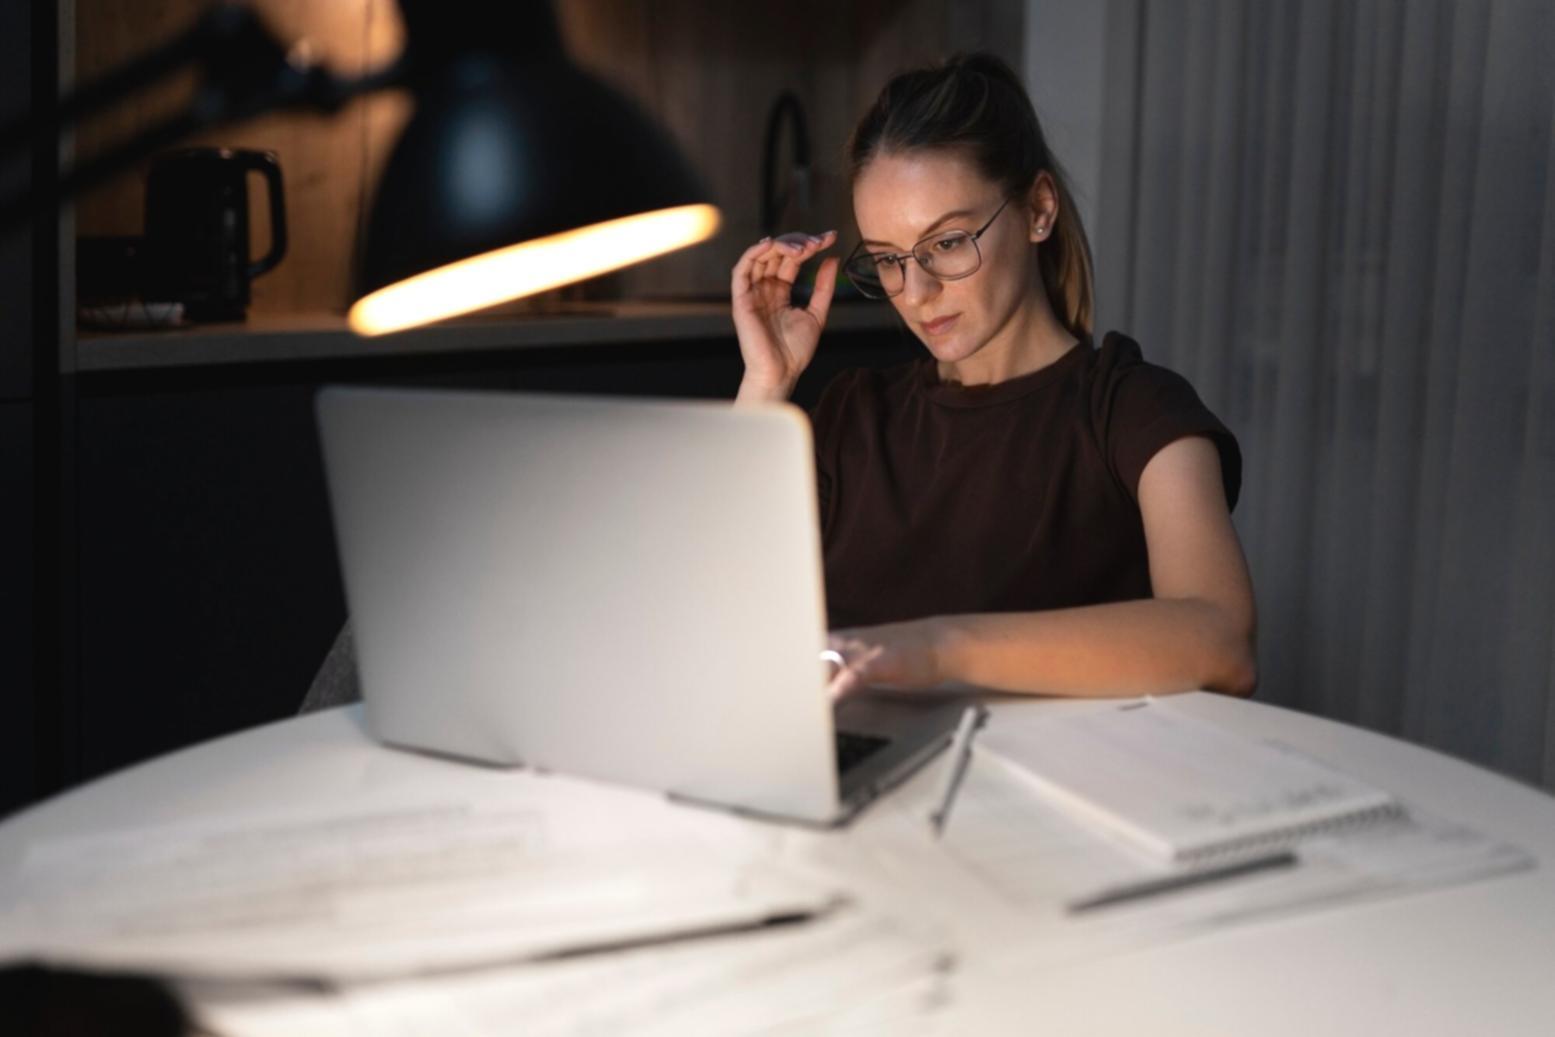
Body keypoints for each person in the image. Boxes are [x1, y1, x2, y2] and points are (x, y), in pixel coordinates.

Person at [730, 52, 1256, 700]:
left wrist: (933, 649)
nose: (916, 291)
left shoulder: (1131, 408)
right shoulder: (853, 414)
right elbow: (713, 608)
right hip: (854, 779)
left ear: (1038, 208)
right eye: (890, 259)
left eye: (947, 242)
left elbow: (1220, 641)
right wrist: (763, 385)